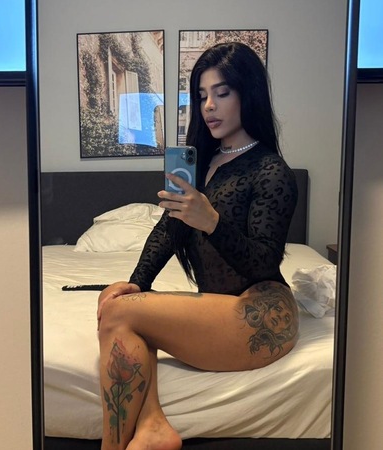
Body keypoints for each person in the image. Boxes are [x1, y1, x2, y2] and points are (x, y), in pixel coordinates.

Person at [97, 42, 299, 450]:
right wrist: (137, 283)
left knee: (118, 313)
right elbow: (167, 230)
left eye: (222, 93)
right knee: (116, 301)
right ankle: (152, 425)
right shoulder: (201, 164)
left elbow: (263, 262)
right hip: (219, 307)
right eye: (202, 95)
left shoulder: (271, 170)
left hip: (262, 311)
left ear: (248, 94)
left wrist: (211, 222)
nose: (209, 106)